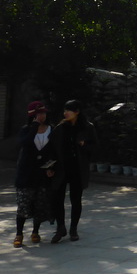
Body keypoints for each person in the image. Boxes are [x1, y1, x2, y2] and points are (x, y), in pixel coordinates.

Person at [50, 99, 97, 243]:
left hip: (78, 168)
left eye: (69, 110)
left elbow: (95, 146)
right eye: (64, 110)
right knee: (58, 198)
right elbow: (52, 149)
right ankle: (60, 228)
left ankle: (73, 229)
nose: (65, 113)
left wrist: (84, 145)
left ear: (77, 112)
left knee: (76, 199)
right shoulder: (60, 128)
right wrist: (50, 167)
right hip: (61, 168)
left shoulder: (87, 127)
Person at [13, 101, 57, 247]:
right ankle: (19, 233)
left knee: (40, 204)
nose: (42, 116)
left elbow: (55, 152)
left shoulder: (52, 129)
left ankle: (35, 231)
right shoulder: (26, 130)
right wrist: (34, 127)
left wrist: (52, 168)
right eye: (38, 114)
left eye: (43, 113)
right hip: (26, 175)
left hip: (43, 175)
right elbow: (23, 143)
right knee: (23, 204)